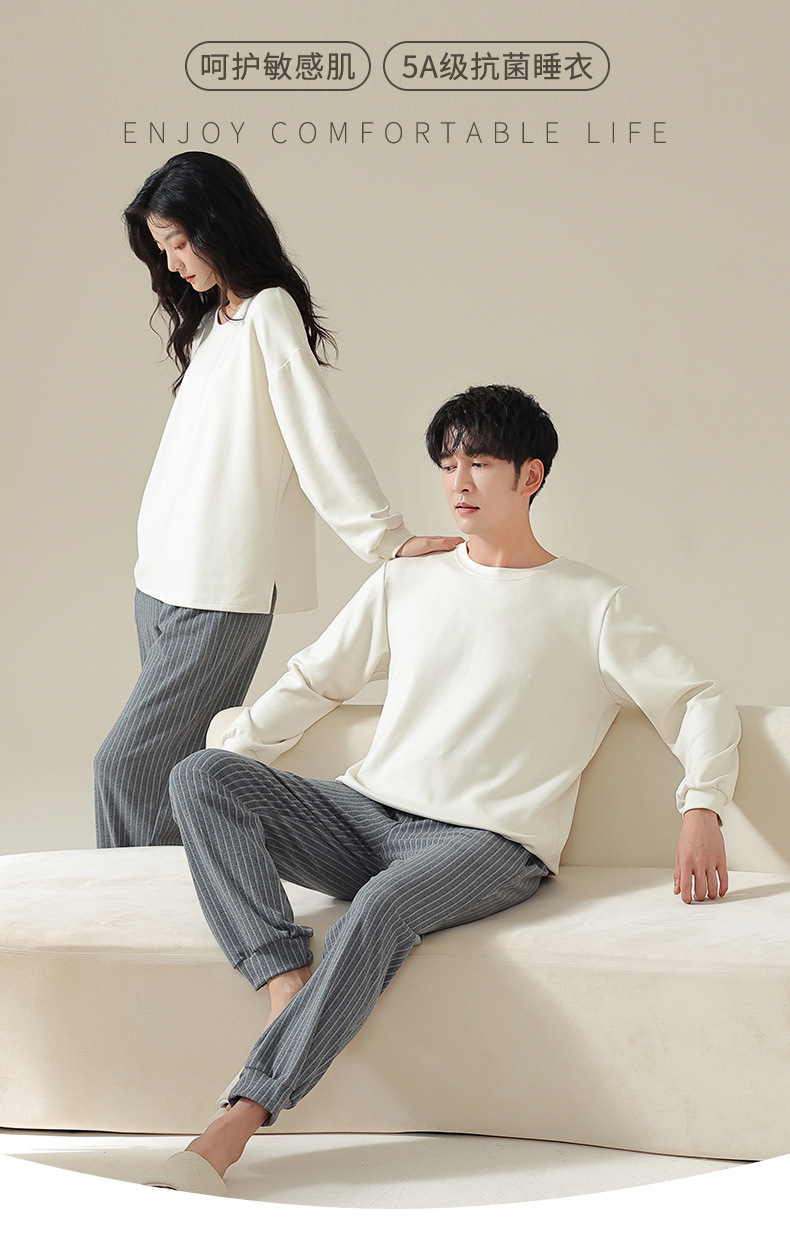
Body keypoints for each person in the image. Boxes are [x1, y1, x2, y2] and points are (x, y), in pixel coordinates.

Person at [146, 383, 740, 1195]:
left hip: (487, 843)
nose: (458, 481)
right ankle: (284, 976)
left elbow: (697, 699)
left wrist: (702, 802)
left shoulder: (593, 603)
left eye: (480, 462)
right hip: (367, 814)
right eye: (448, 463)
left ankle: (233, 1125)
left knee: (380, 908)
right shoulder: (408, 582)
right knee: (198, 772)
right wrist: (237, 757)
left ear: (531, 475)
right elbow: (316, 680)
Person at [94, 151, 459, 850]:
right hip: (159, 582)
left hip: (218, 589)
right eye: (162, 247)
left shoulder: (268, 312)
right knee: (167, 775)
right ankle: (183, 901)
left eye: (178, 242)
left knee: (124, 768)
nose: (171, 263)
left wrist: (386, 536)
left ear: (216, 226)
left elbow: (313, 429)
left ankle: (135, 907)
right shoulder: (211, 325)